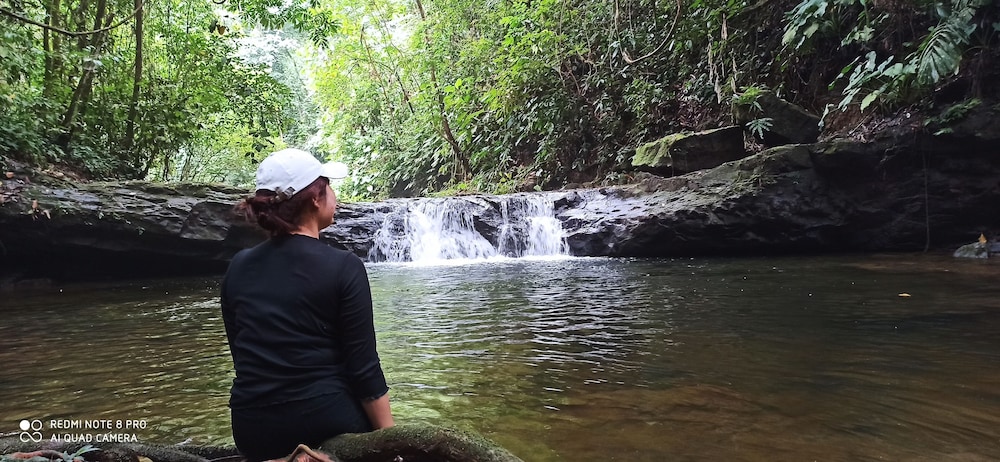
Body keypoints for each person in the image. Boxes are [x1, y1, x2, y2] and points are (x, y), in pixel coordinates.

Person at [220, 148, 394, 462]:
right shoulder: (344, 267)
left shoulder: (238, 266)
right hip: (326, 421)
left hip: (251, 427)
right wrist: (391, 443)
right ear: (315, 198)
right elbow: (364, 370)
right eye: (329, 185)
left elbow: (243, 357)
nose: (335, 195)